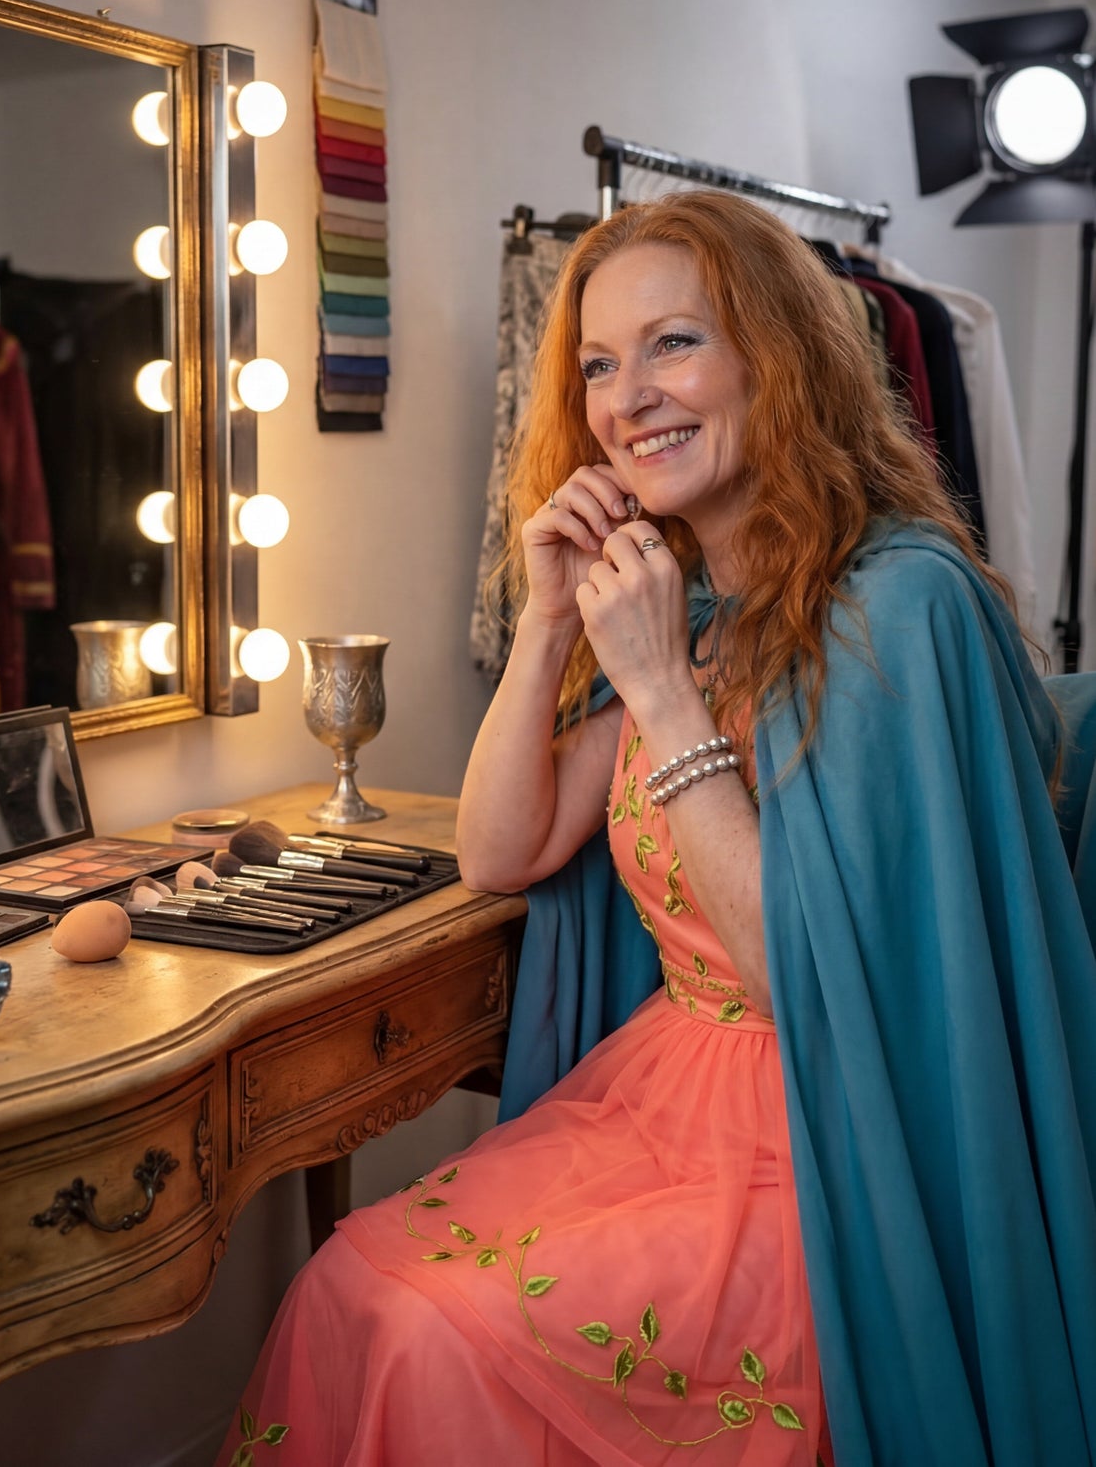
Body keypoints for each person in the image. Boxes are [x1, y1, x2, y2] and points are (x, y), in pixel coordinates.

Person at [219, 191, 1096, 1466]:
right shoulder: (688, 610)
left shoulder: (901, 605)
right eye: (597, 365)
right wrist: (549, 626)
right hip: (658, 1106)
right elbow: (498, 851)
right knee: (356, 1276)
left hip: (837, 1136)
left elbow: (804, 982)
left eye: (674, 343)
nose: (630, 396)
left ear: (776, 357)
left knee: (428, 1321)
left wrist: (663, 694)